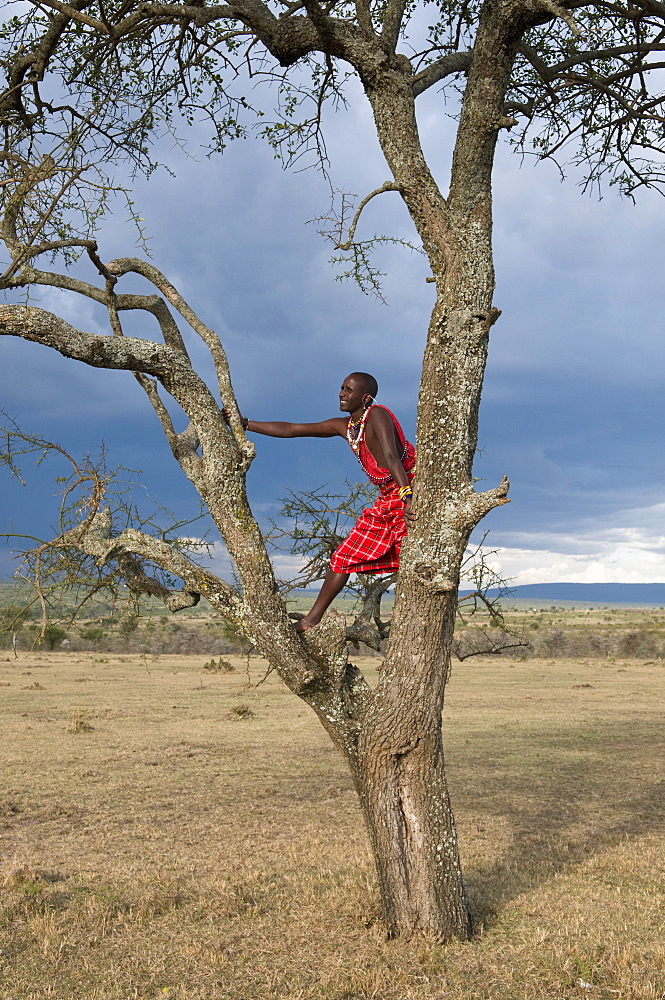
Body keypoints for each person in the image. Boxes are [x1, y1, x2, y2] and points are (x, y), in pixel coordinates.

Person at [223, 373, 415, 633]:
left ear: (365, 397)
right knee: (343, 557)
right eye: (341, 388)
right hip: (388, 495)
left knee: (414, 558)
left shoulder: (377, 414)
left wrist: (408, 497)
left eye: (349, 390)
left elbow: (392, 456)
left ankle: (410, 624)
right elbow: (293, 429)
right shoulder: (346, 427)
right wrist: (245, 423)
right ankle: (310, 622)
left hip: (407, 486)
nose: (341, 393)